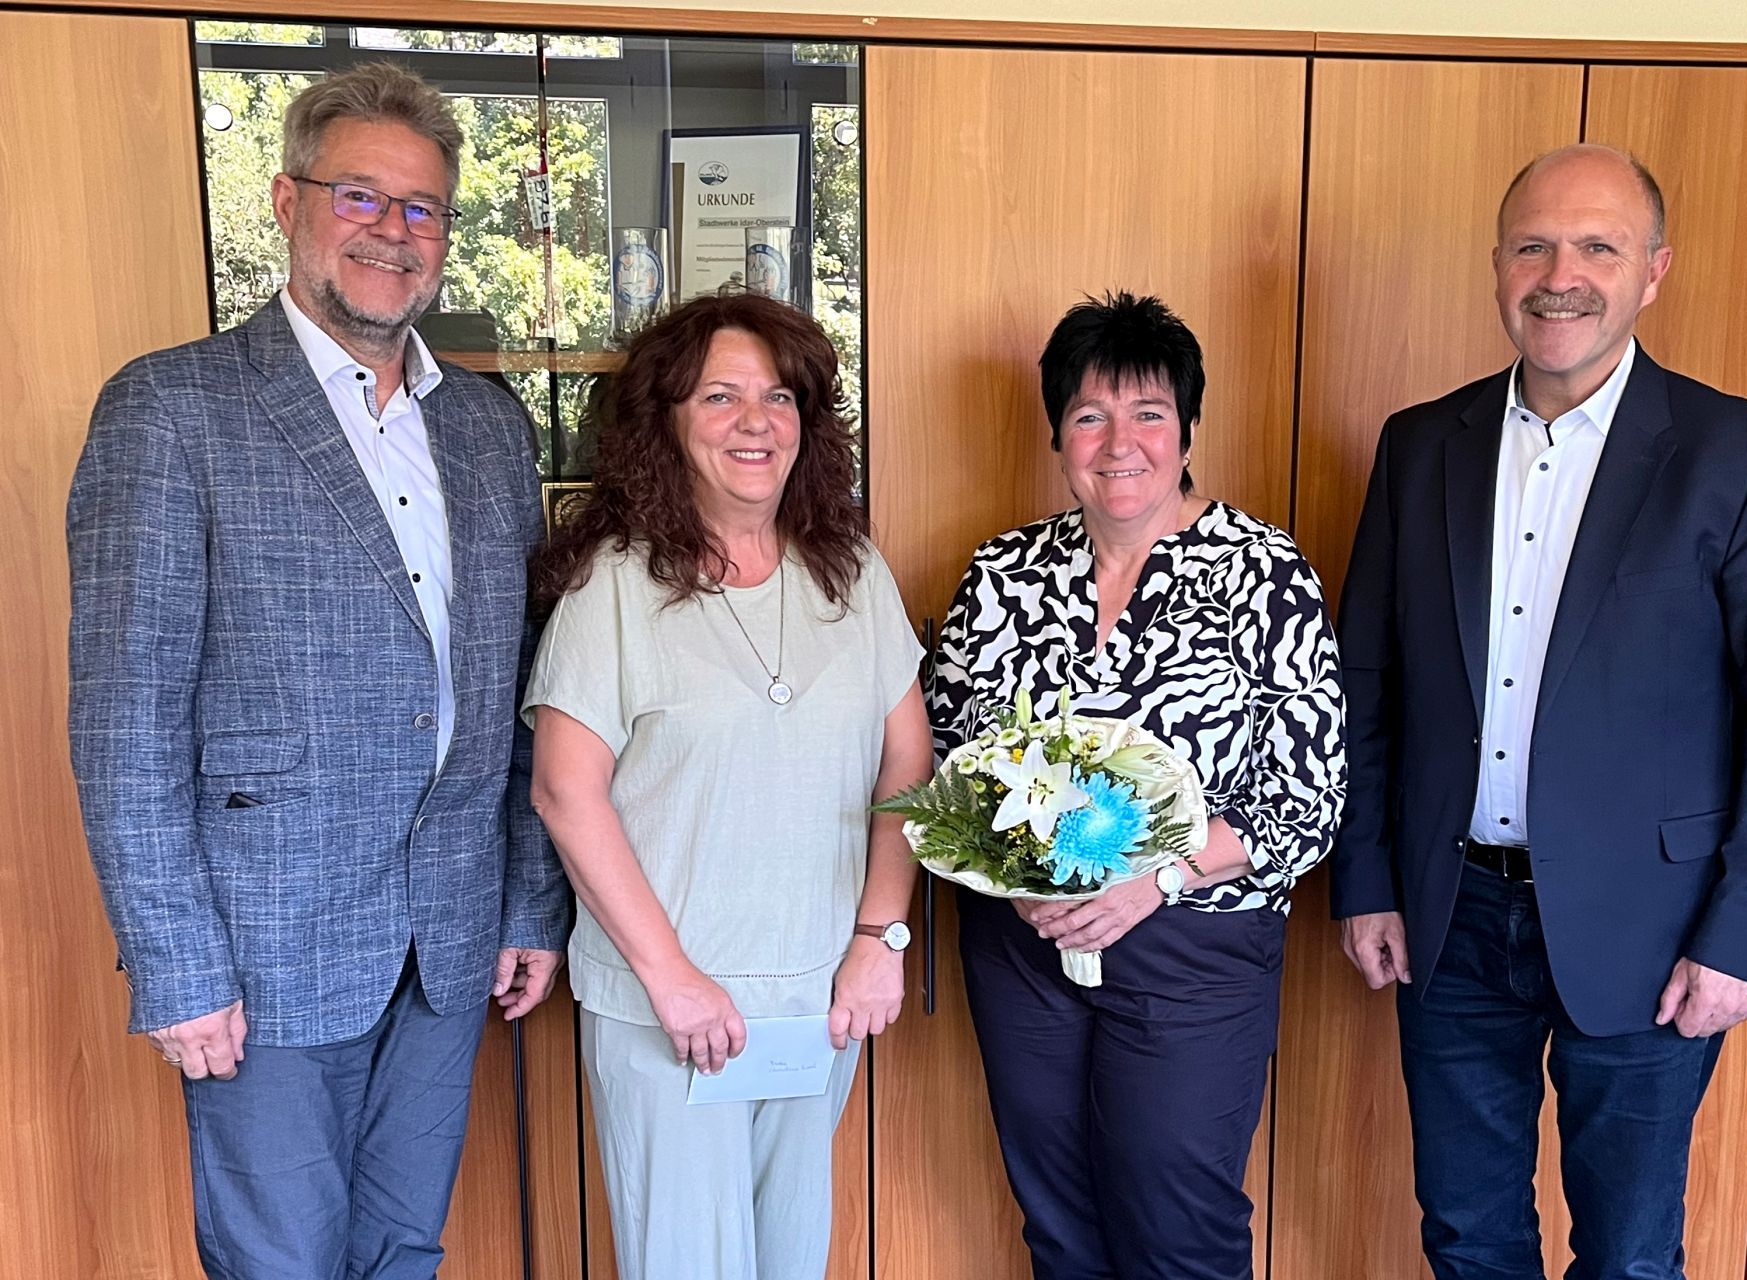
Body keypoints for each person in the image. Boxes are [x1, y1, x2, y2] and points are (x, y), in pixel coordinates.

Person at [66, 63, 570, 1279]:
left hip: (448, 939)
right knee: (278, 1258)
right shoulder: (171, 408)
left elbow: (518, 696)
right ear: (288, 203)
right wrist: (176, 962)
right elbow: (124, 716)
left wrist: (528, 900)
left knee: (405, 1246)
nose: (392, 234)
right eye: (361, 197)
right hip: (261, 947)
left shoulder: (487, 428)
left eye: (422, 209)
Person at [1331, 144, 1747, 1279]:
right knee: (1468, 1236)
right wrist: (1365, 878)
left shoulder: (1744, 453)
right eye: (1533, 245)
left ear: (1653, 271)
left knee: (1629, 1251)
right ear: (1497, 266)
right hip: (1450, 917)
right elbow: (1367, 684)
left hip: (1657, 931)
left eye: (1598, 246)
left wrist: (1743, 939)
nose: (1561, 274)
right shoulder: (1421, 446)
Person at [928, 291, 1347, 1280]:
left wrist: (1151, 878)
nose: (1120, 443)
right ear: (1056, 434)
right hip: (1023, 944)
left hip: (1194, 945)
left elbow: (1310, 794)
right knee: (1059, 1221)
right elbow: (942, 752)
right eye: (1089, 414)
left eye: (1148, 412)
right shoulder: (1002, 570)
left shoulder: (1261, 569)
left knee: (1179, 1225)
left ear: (1189, 428)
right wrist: (1009, 871)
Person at [524, 293, 929, 1279]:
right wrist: (674, 979)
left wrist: (879, 940)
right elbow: (564, 793)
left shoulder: (852, 572)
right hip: (671, 1011)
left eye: (779, 396)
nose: (757, 420)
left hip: (816, 998)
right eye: (720, 395)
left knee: (789, 1260)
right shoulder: (613, 584)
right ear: (667, 421)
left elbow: (907, 766)